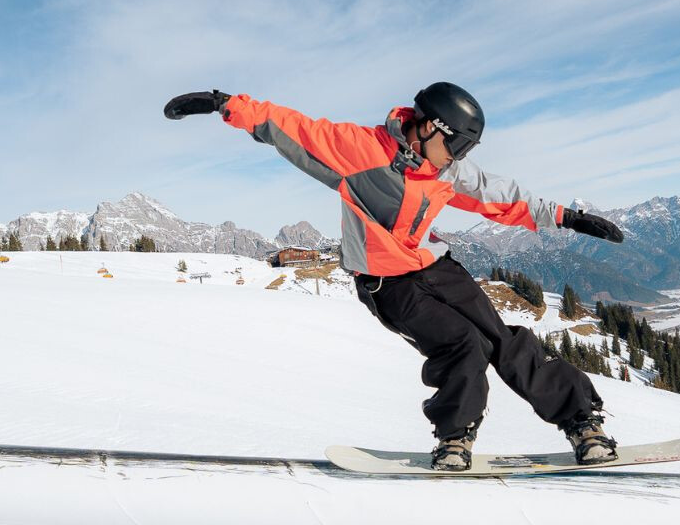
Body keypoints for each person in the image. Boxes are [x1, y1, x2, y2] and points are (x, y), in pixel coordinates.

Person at [165, 83, 627, 470]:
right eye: (457, 145)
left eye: (467, 149)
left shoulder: (446, 168)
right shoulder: (359, 151)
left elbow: (501, 196)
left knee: (502, 338)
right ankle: (455, 439)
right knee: (462, 344)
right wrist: (223, 103)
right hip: (388, 282)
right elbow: (290, 127)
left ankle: (583, 423)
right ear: (427, 127)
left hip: (433, 265)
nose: (458, 158)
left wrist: (568, 217)